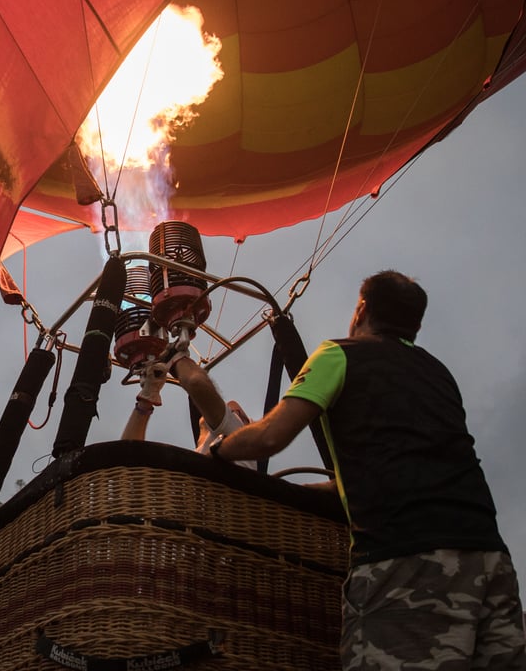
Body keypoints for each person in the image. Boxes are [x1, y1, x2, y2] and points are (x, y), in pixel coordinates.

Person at [206, 270, 525, 669]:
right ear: (416, 325)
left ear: (361, 310)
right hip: (490, 561)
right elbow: (377, 471)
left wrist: (219, 449)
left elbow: (271, 436)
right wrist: (301, 491)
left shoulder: (338, 354)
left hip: (405, 560)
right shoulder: (438, 374)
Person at [121, 354, 256, 470]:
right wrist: (146, 398)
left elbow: (196, 382)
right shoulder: (195, 460)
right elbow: (127, 458)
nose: (228, 406)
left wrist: (175, 356)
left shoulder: (239, 440)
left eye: (233, 412)